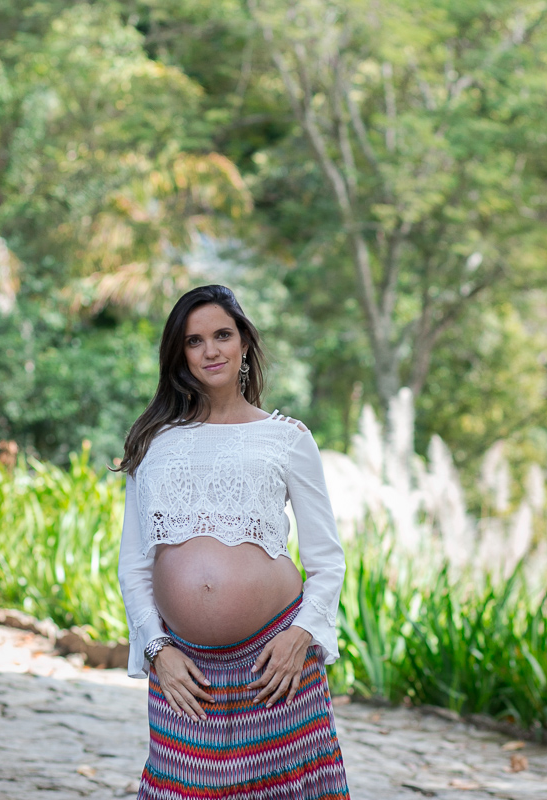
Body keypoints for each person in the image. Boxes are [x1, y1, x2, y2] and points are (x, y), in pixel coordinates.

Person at [117, 285, 351, 799]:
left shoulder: (287, 437)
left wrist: (301, 637)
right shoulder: (153, 442)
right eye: (194, 341)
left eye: (222, 335)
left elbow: (326, 561)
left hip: (277, 664)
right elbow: (134, 565)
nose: (211, 351)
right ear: (180, 354)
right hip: (185, 670)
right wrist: (157, 651)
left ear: (244, 341)